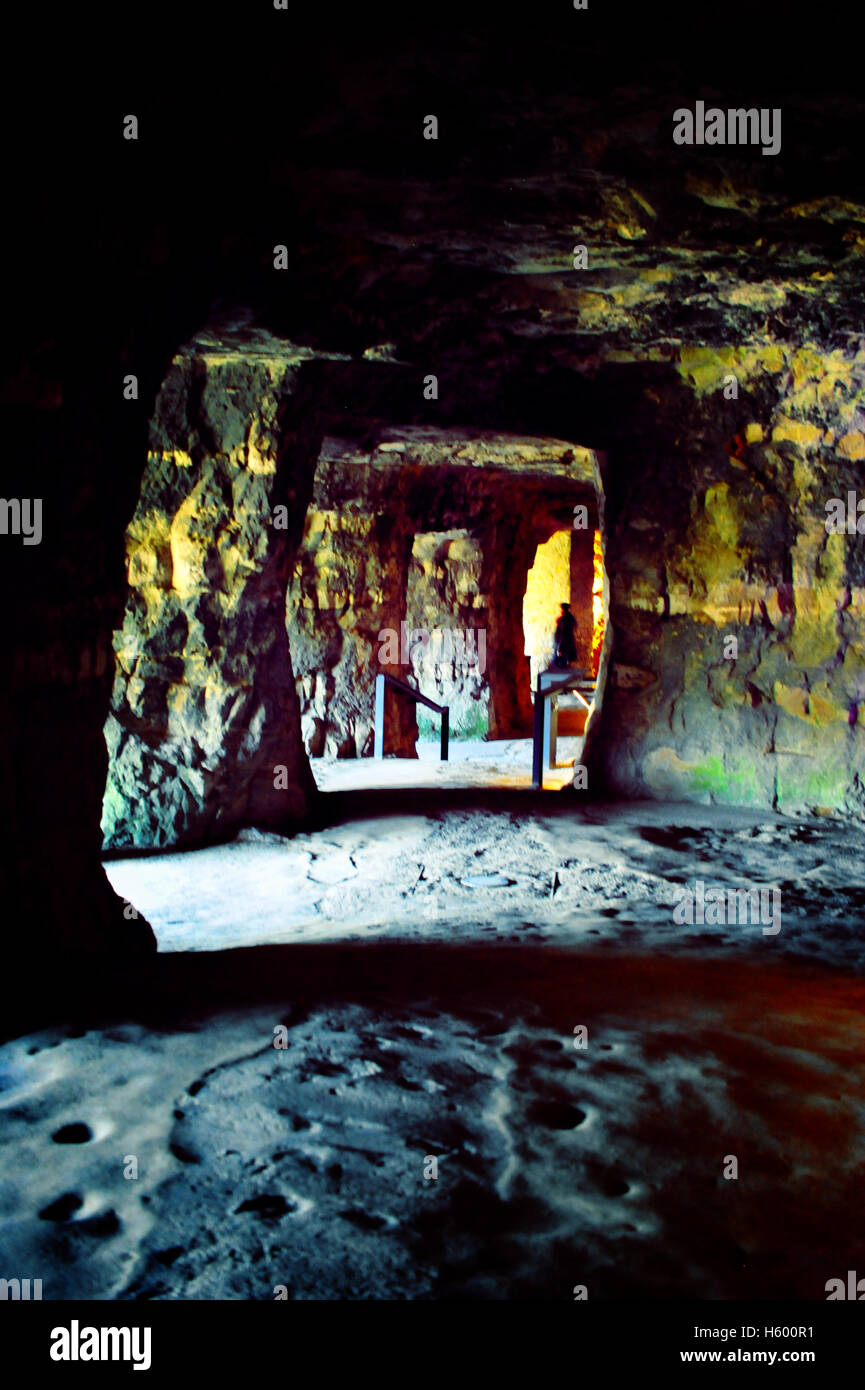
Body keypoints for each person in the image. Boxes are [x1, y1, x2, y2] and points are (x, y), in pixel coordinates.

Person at [552, 601, 578, 669]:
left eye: (561, 609)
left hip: (564, 646)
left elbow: (563, 635)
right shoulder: (570, 618)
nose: (560, 611)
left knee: (561, 665)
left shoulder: (564, 620)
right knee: (566, 664)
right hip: (567, 645)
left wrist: (560, 648)